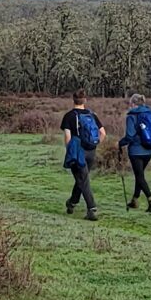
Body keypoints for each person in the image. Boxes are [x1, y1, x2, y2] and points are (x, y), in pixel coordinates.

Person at [60, 93, 102, 221]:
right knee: (81, 178)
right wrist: (94, 144)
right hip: (91, 151)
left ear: (73, 100)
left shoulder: (69, 116)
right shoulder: (92, 115)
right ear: (85, 100)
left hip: (78, 152)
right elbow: (103, 132)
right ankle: (72, 203)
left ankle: (92, 209)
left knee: (83, 180)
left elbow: (67, 137)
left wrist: (70, 151)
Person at [118, 94, 151, 212]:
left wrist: (120, 143)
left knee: (139, 176)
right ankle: (135, 200)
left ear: (133, 104)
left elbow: (130, 136)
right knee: (140, 175)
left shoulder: (132, 116)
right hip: (149, 149)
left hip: (136, 151)